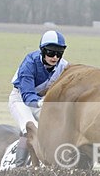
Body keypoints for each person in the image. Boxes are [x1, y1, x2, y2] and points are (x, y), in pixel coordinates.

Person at [8, 30, 69, 166]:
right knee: (31, 127)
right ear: (42, 50)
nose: (55, 57)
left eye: (59, 53)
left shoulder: (64, 66)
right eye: (50, 52)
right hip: (21, 100)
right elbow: (27, 96)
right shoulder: (29, 63)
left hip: (42, 102)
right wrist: (42, 103)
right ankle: (19, 166)